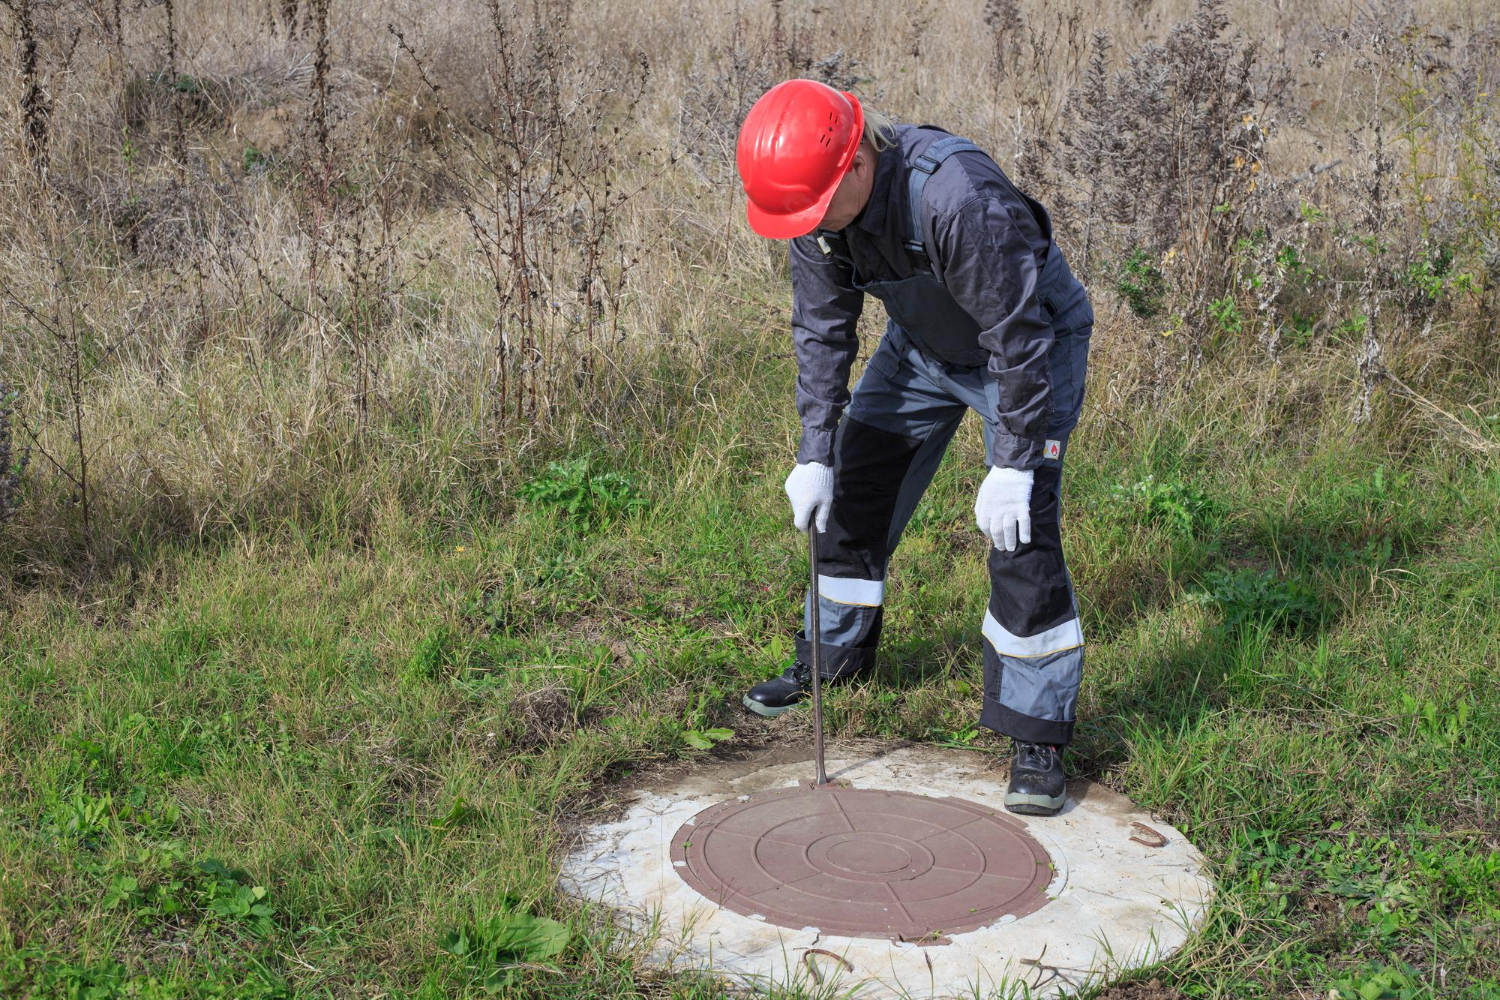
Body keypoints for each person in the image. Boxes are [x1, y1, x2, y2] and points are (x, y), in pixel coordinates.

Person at [735, 80, 1094, 817]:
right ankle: (829, 663)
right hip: (924, 351)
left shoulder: (958, 198)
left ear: (859, 161)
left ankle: (1036, 735)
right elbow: (822, 329)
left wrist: (1014, 462)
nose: (809, 225)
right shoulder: (817, 213)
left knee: (1019, 533)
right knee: (854, 490)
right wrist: (814, 450)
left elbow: (1019, 337)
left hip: (1025, 354)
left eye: (816, 208)